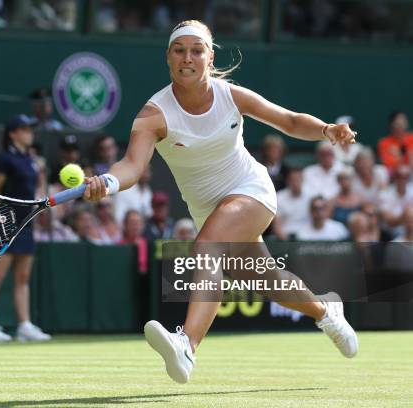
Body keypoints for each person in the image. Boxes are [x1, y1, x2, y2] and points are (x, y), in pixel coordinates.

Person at [83, 20, 358, 383]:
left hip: (251, 190)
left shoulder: (231, 95)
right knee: (268, 281)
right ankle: (326, 311)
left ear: (209, 57)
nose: (187, 58)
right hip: (208, 209)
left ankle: (187, 346)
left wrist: (326, 130)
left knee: (208, 246)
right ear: (168, 57)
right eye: (179, 50)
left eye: (196, 50)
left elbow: (289, 121)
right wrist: (109, 180)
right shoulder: (153, 115)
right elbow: (132, 166)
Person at [0, 114, 51, 343]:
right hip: (4, 223)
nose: (29, 132)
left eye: (30, 128)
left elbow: (34, 190)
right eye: (24, 129)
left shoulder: (30, 160)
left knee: (23, 277)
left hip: (26, 224)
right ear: (13, 134)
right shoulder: (4, 160)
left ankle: (24, 326)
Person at [272, 167, 311, 241]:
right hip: (286, 236)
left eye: (298, 179)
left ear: (303, 180)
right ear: (288, 181)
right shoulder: (279, 197)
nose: (296, 183)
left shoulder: (311, 196)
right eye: (293, 180)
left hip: (307, 236)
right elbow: (277, 225)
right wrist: (288, 242)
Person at [377, 111, 413, 176]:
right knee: (380, 170)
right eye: (397, 123)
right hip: (395, 179)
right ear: (391, 125)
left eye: (403, 122)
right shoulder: (384, 142)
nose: (400, 125)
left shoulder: (411, 138)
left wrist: (400, 156)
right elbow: (389, 165)